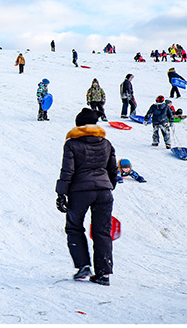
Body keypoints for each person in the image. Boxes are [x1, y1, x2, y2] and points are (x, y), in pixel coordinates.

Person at [55, 108, 118, 286]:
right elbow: (112, 169)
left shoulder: (72, 144)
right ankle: (103, 273)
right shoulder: (106, 143)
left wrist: (61, 193)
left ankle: (83, 266)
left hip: (80, 192)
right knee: (102, 231)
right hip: (104, 192)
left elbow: (68, 171)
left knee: (74, 228)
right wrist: (108, 185)